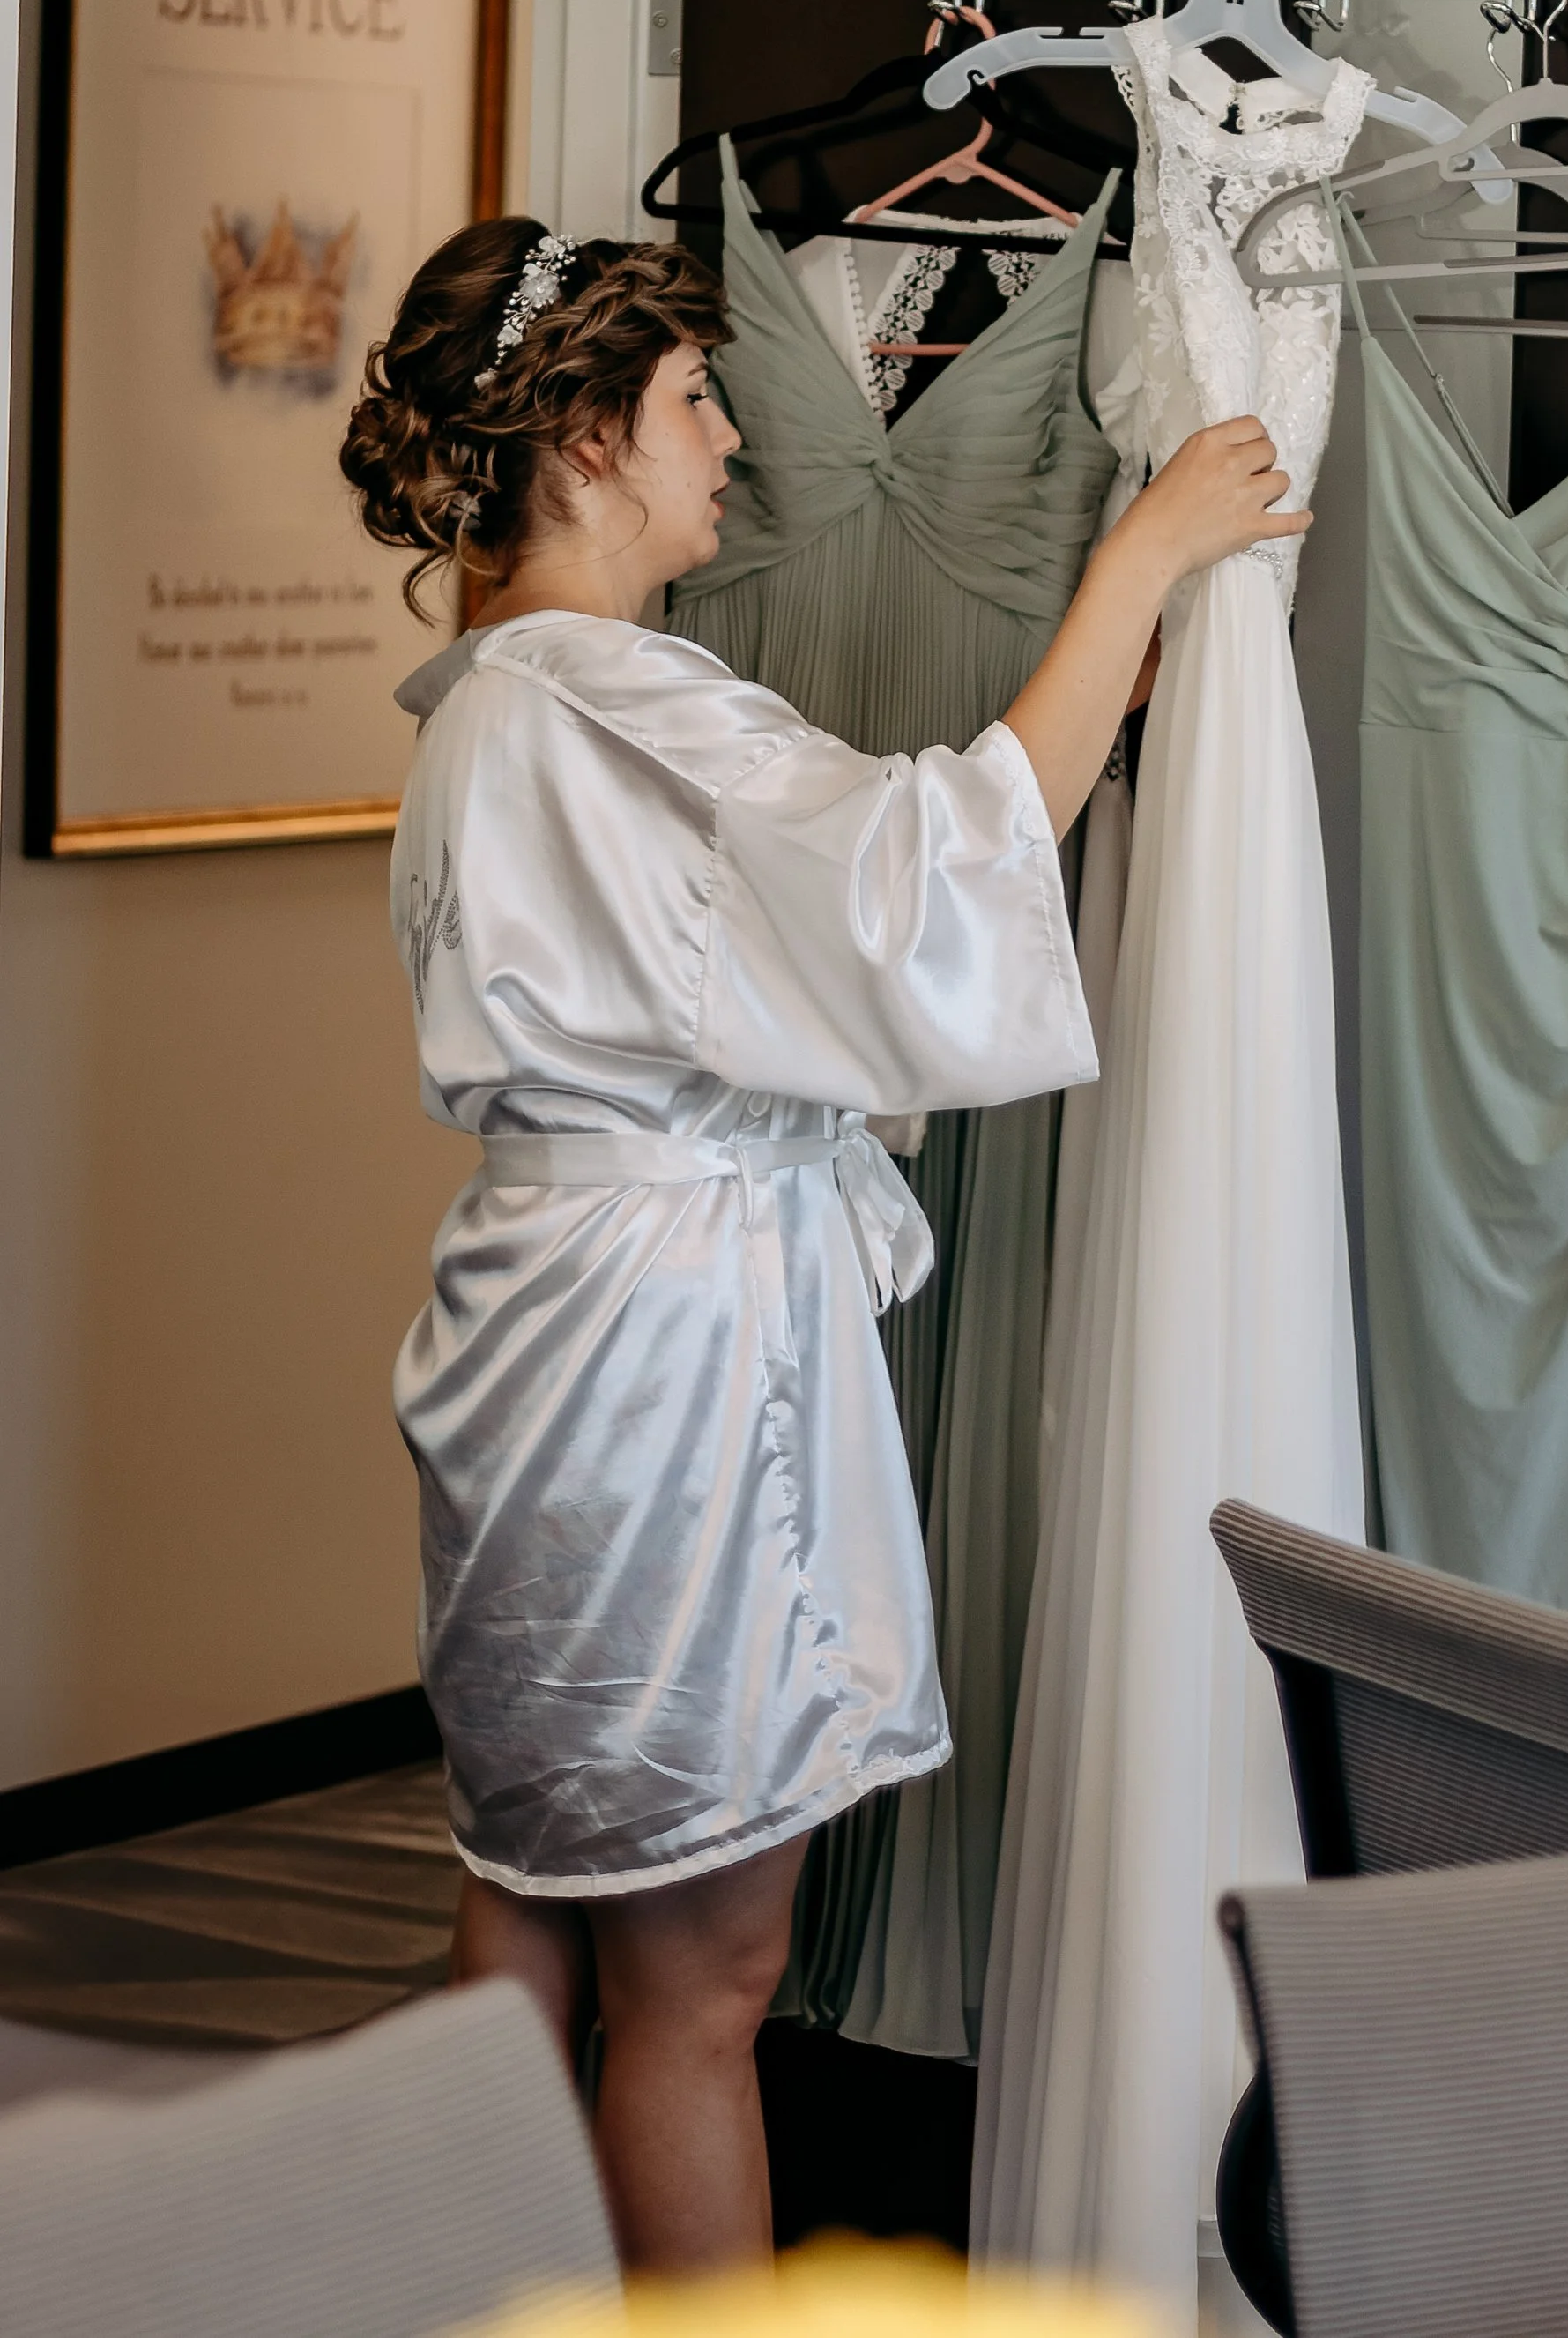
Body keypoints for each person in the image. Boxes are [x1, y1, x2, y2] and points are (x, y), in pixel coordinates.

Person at [338, 215, 1304, 2275]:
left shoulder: (486, 707)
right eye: (695, 401)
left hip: (538, 1334)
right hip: (660, 1363)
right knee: (700, 1977)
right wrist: (1138, 562)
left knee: (527, 1893)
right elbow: (914, 881)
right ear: (582, 441)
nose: (731, 445)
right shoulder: (605, 707)